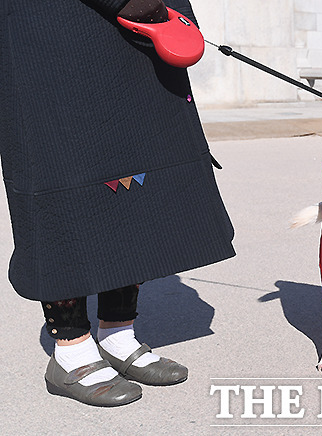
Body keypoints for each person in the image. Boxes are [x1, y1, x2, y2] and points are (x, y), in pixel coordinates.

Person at [0, 0, 235, 406]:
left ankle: (117, 335)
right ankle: (71, 352)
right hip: (55, 28)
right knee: (67, 178)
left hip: (135, 30)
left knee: (134, 172)